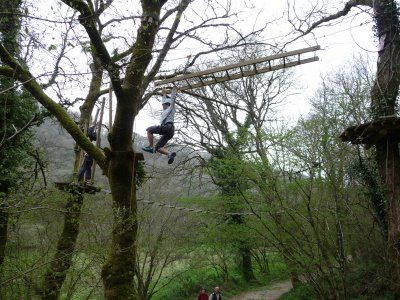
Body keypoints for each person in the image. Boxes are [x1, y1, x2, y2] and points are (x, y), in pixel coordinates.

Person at [142, 87, 177, 164]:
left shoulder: (171, 108)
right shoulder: (165, 110)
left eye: (163, 105)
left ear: (167, 105)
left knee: (149, 130)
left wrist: (174, 90)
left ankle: (151, 147)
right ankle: (170, 154)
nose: (162, 106)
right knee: (158, 148)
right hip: (170, 131)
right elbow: (163, 100)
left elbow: (173, 100)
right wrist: (164, 93)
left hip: (168, 127)